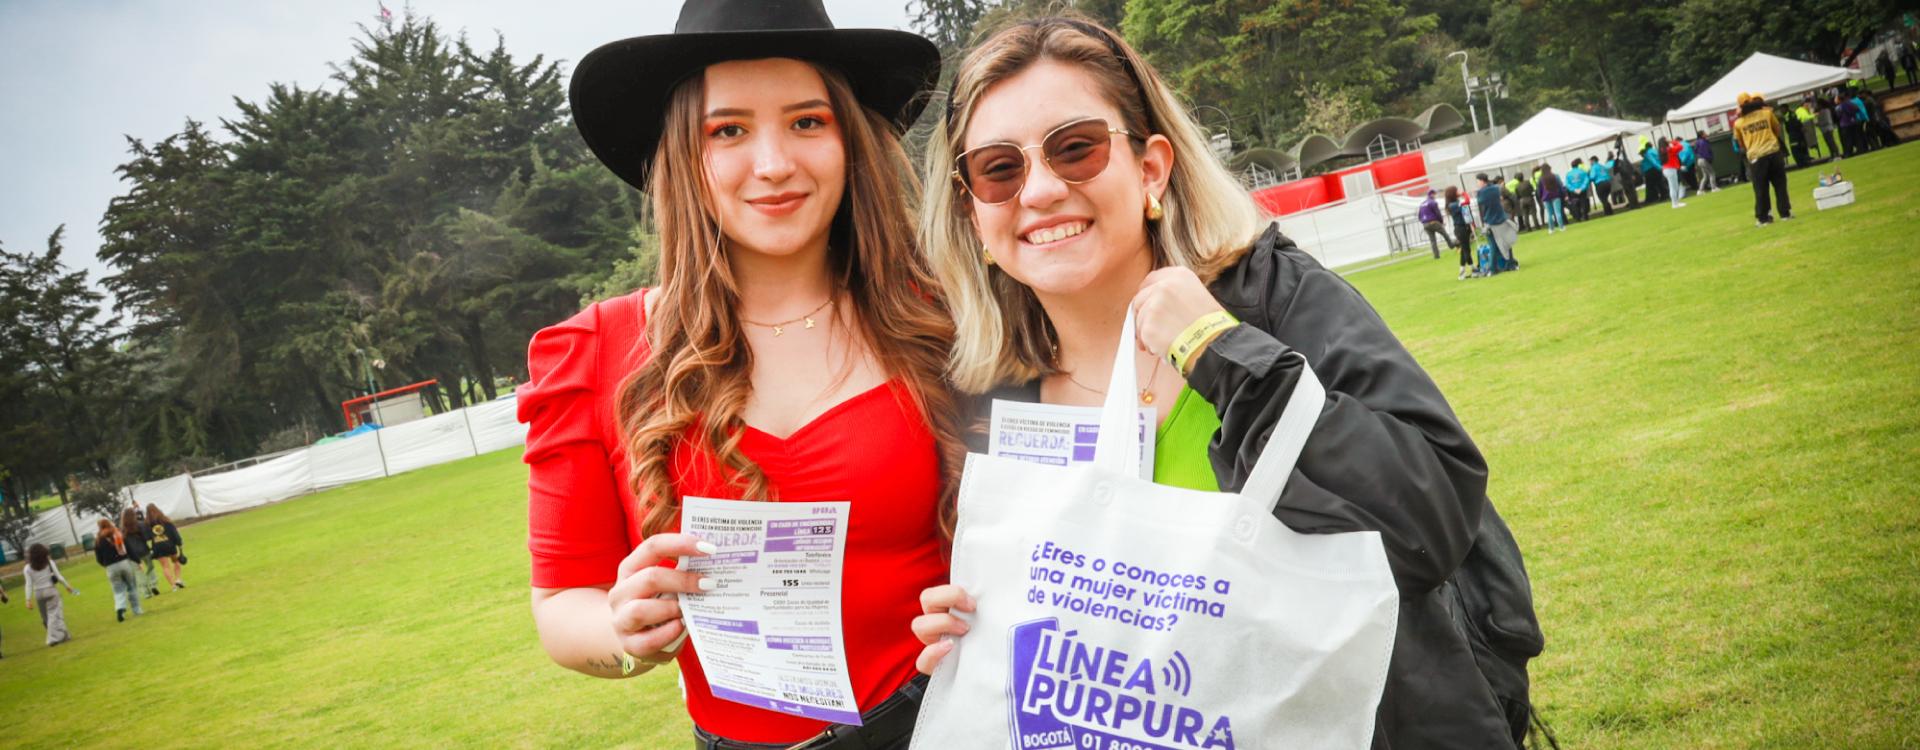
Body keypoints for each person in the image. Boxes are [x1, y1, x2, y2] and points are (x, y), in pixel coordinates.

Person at [912, 16, 1540, 746]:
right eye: (999, 168)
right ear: (971, 209)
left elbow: (1431, 523)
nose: (1042, 189)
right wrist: (975, 628)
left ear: (1152, 169)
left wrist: (1218, 350)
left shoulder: (1273, 302)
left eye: (1076, 148)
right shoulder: (990, 404)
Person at [520, 2, 956, 746]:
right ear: (682, 157)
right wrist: (622, 627)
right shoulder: (590, 352)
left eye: (807, 121)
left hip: (943, 723)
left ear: (849, 139)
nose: (774, 164)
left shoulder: (942, 320)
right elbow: (561, 605)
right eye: (727, 130)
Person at [1732, 92, 1792, 227]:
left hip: (1756, 157)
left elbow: (1740, 142)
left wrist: (1751, 147)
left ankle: (1763, 218)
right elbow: (1777, 129)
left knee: (1760, 189)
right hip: (1773, 152)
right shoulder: (1767, 113)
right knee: (1780, 185)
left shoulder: (1739, 123)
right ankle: (1785, 214)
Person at [24, 543, 78, 647]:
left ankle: (65, 636)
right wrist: (68, 587)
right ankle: (52, 639)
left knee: (47, 618)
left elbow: (28, 584)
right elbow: (59, 577)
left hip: (38, 594)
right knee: (54, 615)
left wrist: (28, 600)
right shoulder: (49, 563)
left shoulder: (27, 568)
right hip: (51, 591)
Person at [94, 518, 144, 621]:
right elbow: (129, 550)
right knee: (131, 587)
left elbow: (98, 558)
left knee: (118, 590)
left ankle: (120, 608)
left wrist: (105, 564)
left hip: (111, 567)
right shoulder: (118, 534)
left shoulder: (98, 540)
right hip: (124, 563)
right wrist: (138, 561)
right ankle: (137, 609)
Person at [146, 504, 186, 591]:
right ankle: (178, 579)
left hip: (158, 546)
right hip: (169, 544)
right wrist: (179, 542)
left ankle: (173, 586)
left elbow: (147, 537)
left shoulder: (147, 524)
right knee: (176, 561)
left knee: (165, 567)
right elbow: (174, 532)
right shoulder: (165, 520)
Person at [121, 507, 160, 598]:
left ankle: (146, 592)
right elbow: (147, 537)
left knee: (138, 573)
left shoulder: (122, 529)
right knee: (151, 568)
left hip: (132, 554)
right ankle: (153, 585)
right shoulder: (140, 524)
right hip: (144, 550)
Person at [1445, 185, 1476, 280]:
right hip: (1461, 229)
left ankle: (1464, 272)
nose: (1458, 191)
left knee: (1464, 250)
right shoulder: (1453, 205)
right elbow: (1467, 202)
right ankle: (1472, 270)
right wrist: (1464, 193)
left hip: (1463, 228)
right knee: (1467, 250)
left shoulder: (1454, 204)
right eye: (1456, 191)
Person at [1418, 188, 1451, 259]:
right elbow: (1437, 213)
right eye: (1435, 194)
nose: (1436, 196)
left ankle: (1436, 256)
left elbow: (1419, 216)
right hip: (1433, 222)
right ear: (1432, 194)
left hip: (1425, 224)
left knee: (1433, 241)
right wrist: (1441, 222)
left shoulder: (1422, 204)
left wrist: (1424, 222)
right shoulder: (1433, 202)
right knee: (1445, 234)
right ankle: (1452, 246)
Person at [1536, 163, 1566, 233]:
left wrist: (1541, 197)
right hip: (1556, 196)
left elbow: (1539, 189)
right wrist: (1564, 194)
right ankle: (1561, 227)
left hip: (1546, 197)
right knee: (1558, 212)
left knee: (1549, 214)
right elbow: (1560, 186)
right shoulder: (1555, 176)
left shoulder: (1540, 179)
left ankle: (1551, 229)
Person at [1660, 137, 1687, 208]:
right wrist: (1672, 141)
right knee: (1673, 187)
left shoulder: (1662, 149)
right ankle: (1674, 204)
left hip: (1667, 169)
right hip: (1670, 169)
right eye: (1666, 139)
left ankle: (1676, 203)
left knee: (1674, 187)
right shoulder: (1669, 149)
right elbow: (1680, 146)